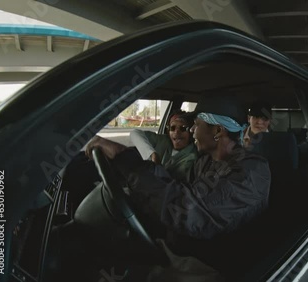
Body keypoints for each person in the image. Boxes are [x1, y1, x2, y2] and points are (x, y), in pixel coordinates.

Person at [85, 95, 271, 273]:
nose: (191, 131)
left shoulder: (251, 172)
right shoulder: (205, 162)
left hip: (218, 266)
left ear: (217, 131)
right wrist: (128, 171)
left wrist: (124, 158)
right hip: (185, 251)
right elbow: (173, 184)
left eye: (195, 125)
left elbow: (187, 211)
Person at [130, 110, 198, 181]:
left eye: (183, 128)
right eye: (172, 128)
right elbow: (135, 133)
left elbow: (169, 182)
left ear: (191, 132)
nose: (176, 131)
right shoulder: (164, 140)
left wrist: (157, 167)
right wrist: (152, 154)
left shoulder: (191, 157)